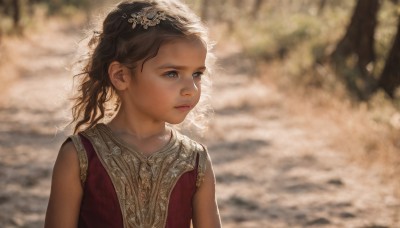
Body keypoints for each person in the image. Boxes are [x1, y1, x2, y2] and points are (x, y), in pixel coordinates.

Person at [44, 0, 221, 227]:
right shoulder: (79, 156)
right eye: (172, 74)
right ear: (120, 76)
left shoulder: (195, 161)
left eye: (197, 74)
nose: (191, 89)